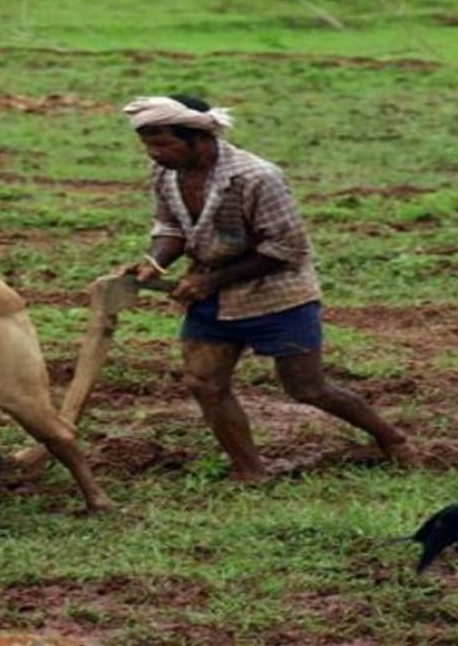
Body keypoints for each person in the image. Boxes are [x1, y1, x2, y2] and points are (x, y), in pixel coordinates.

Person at [119, 94, 419, 481]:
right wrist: (155, 262)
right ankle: (250, 470)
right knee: (204, 383)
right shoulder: (165, 174)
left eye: (163, 143)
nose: (154, 153)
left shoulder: (257, 177)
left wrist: (210, 279)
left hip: (278, 296)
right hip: (213, 298)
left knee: (308, 388)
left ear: (199, 137)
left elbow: (286, 248)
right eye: (148, 144)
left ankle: (392, 439)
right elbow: (172, 227)